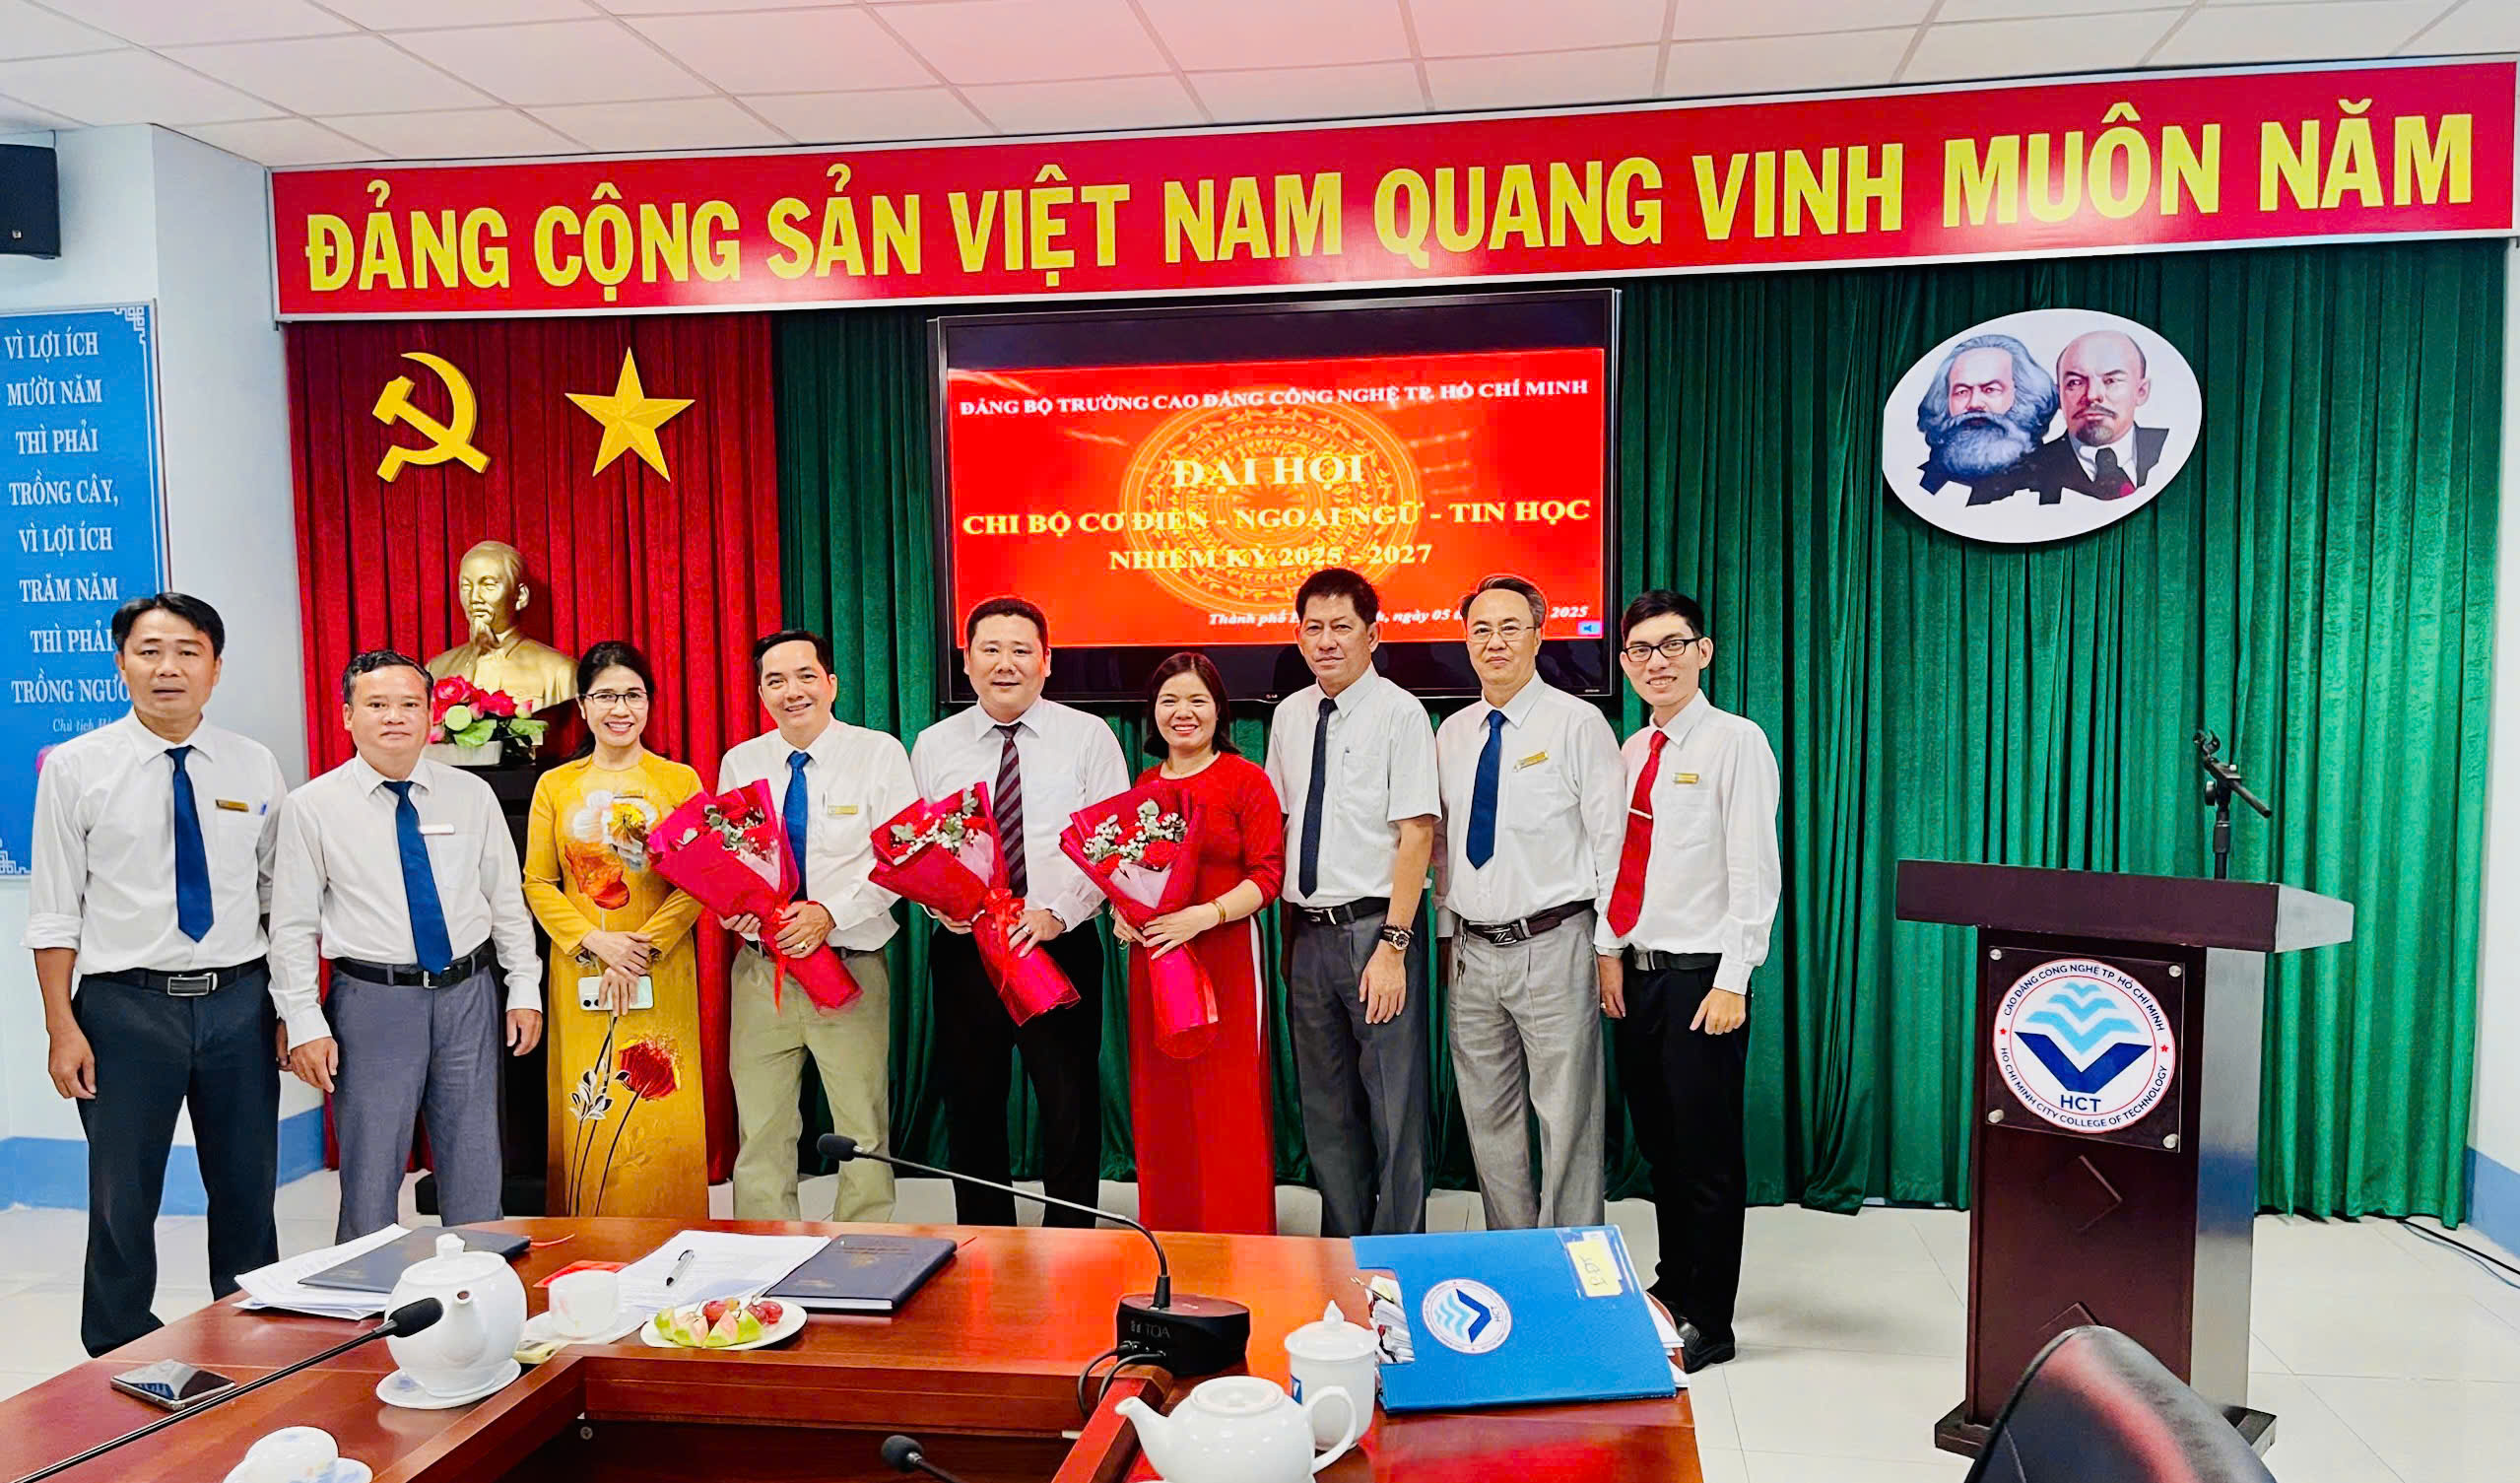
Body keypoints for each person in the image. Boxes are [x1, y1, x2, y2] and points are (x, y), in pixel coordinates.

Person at [23, 594, 287, 1357]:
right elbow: (54, 910)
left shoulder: (253, 762)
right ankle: (115, 1349)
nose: (168, 667)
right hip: (123, 1008)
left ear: (215, 667)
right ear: (121, 663)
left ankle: (252, 1341)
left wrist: (286, 1008)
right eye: (149, 650)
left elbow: (278, 896)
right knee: (122, 1196)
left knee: (246, 1188)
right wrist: (61, 1026)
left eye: (187, 651)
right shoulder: (76, 767)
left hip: (239, 1000)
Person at [271, 650, 544, 1243]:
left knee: (475, 1159)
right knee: (371, 1168)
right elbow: (291, 926)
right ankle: (365, 1283)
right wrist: (303, 1020)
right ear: (347, 716)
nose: (394, 717)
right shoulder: (312, 807)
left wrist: (524, 986)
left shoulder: (470, 794)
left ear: (430, 715)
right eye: (376, 704)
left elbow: (506, 898)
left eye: (408, 704)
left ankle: (479, 1277)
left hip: (467, 994)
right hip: (374, 1000)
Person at [1599, 591, 1780, 1374]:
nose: (1657, 661)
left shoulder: (1737, 741)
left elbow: (1754, 867)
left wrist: (1736, 976)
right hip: (1641, 978)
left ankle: (1711, 1316)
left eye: (1673, 644)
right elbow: (1619, 862)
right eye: (1641, 649)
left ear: (1703, 651)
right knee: (1661, 1149)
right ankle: (1673, 1286)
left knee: (1706, 1156)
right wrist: (1610, 950)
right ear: (1625, 663)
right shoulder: (1632, 750)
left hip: (1705, 979)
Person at [910, 598, 1130, 1227]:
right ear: (968, 662)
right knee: (971, 1102)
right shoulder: (935, 744)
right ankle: (988, 1247)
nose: (1005, 663)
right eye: (990, 650)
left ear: (1046, 661)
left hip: (1056, 943)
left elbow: (1111, 843)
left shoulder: (1087, 736)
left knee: (1068, 1102)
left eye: (1020, 650)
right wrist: (940, 906)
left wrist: (1059, 911)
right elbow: (916, 843)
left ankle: (1072, 1243)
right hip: (966, 947)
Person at [1433, 574, 1625, 1232]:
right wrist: (1444, 937)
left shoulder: (1577, 723)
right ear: (1466, 642)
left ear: (1539, 637)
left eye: (1511, 627)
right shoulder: (1452, 733)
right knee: (1487, 1116)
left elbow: (1611, 843)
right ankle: (1512, 1255)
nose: (1495, 641)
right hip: (1471, 951)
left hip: (1554, 942)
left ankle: (1568, 1253)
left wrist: (1609, 949)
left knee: (1568, 1115)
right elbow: (1441, 847)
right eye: (1481, 629)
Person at [716, 628, 917, 1222]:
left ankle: (864, 1252)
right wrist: (729, 904)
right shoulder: (741, 762)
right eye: (776, 681)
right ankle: (764, 1254)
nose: (792, 691)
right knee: (762, 1129)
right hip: (762, 974)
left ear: (832, 684)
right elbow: (728, 859)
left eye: (806, 676)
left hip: (849, 969)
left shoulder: (878, 753)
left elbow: (903, 862)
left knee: (861, 1129)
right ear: (761, 694)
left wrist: (830, 914)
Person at [1265, 569, 1437, 1238]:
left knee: (1394, 1108)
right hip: (1306, 935)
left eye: (1342, 627)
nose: (1327, 641)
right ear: (1299, 637)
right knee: (1326, 1108)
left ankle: (1397, 1257)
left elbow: (1417, 833)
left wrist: (1394, 946)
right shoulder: (1289, 715)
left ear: (1373, 633)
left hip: (1376, 932)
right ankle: (1340, 1250)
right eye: (1313, 628)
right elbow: (1279, 824)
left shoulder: (1400, 712)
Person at [522, 641, 707, 1220]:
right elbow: (538, 882)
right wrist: (597, 941)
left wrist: (641, 948)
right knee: (591, 1102)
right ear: (583, 706)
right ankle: (589, 1236)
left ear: (649, 703)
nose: (619, 709)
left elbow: (702, 880)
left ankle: (674, 1232)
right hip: (583, 966)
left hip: (662, 966)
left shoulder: (679, 781)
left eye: (632, 695)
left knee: (661, 1098)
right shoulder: (556, 786)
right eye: (605, 696)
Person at [1116, 651, 1286, 1234]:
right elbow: (1127, 873)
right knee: (1162, 1097)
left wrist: (1203, 917)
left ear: (1219, 711)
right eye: (1169, 701)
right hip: (1156, 960)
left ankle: (1240, 1234)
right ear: (1152, 713)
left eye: (1197, 700)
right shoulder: (1144, 785)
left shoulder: (1246, 780)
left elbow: (1267, 877)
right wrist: (1123, 915)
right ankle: (1171, 1231)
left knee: (1227, 1099)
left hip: (1225, 954)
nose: (1182, 712)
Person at [423, 540, 577, 711]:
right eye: (466, 587)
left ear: (520, 596)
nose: (474, 598)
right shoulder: (437, 669)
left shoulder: (561, 674)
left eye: (488, 585)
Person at [2017, 329, 2164, 503]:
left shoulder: (2171, 449)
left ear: (2141, 391)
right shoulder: (2024, 473)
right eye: (2075, 382)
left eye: (2111, 381)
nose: (2092, 395)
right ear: (2059, 397)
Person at [1912, 333, 2056, 506]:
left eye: (1990, 390)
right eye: (1961, 392)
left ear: (2024, 396)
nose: (1974, 404)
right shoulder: (1922, 482)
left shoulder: (2053, 482)